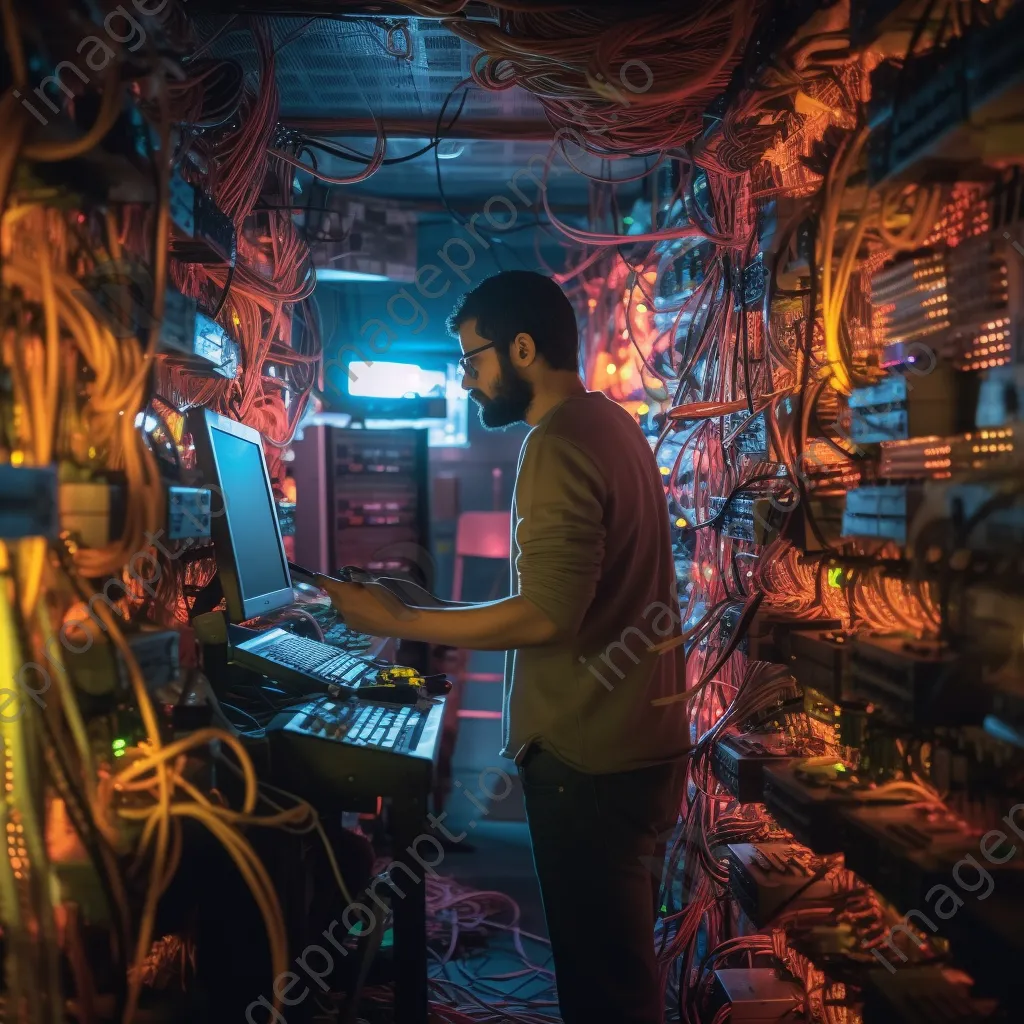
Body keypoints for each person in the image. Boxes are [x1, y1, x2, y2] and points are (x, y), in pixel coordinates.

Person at [319, 270, 690, 1024]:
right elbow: (564, 597)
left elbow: (550, 616)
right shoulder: (611, 425)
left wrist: (406, 626)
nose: (466, 380)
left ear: (522, 348)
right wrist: (423, 606)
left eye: (472, 359)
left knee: (605, 990)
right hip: (637, 750)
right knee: (620, 971)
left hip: (589, 761)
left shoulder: (556, 444)